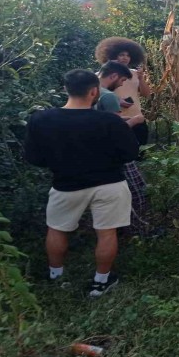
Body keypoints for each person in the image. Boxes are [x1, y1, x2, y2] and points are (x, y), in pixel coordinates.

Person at [24, 69, 139, 297]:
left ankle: (56, 277)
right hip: (109, 183)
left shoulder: (41, 119)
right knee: (106, 233)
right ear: (94, 91)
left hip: (65, 184)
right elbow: (130, 153)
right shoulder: (109, 121)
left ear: (66, 89)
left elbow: (34, 158)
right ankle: (100, 282)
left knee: (57, 229)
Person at [95, 61, 150, 236]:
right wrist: (135, 120)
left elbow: (103, 122)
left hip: (97, 152)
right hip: (115, 151)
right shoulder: (108, 96)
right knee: (137, 190)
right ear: (113, 76)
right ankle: (136, 230)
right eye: (122, 80)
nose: (121, 85)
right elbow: (115, 129)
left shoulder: (90, 92)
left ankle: (115, 226)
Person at [94, 37, 151, 146]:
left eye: (128, 55)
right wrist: (116, 100)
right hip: (115, 121)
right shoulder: (100, 76)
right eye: (121, 55)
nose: (125, 58)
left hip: (136, 119)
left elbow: (146, 94)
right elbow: (93, 96)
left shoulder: (135, 74)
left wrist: (141, 79)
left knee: (140, 151)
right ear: (111, 56)